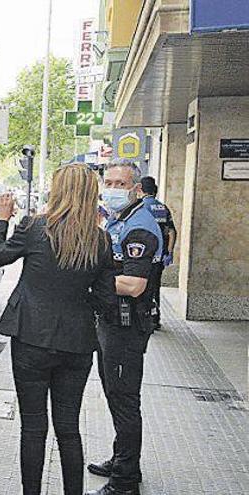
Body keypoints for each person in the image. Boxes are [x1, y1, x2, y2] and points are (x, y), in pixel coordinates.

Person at [0, 165, 116, 495]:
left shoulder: (34, 227)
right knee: (68, 428)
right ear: (91, 194)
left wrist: (2, 218)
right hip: (77, 344)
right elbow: (105, 300)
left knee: (33, 427)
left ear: (57, 190)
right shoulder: (100, 239)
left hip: (31, 337)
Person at [86, 161, 164, 495]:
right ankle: (122, 460)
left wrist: (89, 280)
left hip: (126, 325)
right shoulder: (122, 220)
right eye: (110, 182)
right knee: (117, 397)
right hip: (112, 323)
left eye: (121, 183)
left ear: (135, 189)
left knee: (124, 401)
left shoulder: (140, 227)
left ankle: (125, 481)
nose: (113, 188)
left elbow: (134, 285)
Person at [138, 176, 177, 331]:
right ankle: (155, 317)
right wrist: (169, 251)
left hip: (146, 256)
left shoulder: (141, 207)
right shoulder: (163, 208)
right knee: (155, 287)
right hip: (160, 256)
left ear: (140, 189)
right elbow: (172, 231)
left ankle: (145, 318)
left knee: (143, 288)